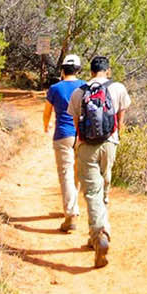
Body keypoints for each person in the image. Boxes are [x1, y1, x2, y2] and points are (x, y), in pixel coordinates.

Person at [68, 54, 131, 267]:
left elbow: (76, 123)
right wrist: (117, 136)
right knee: (104, 187)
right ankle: (99, 231)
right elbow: (120, 118)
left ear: (91, 72)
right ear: (108, 70)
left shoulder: (79, 93)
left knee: (92, 192)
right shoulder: (118, 88)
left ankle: (98, 235)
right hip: (110, 144)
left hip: (87, 147)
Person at [41, 53, 85, 233]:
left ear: (62, 70)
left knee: (65, 173)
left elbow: (47, 111)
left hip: (63, 135)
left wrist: (46, 125)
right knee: (77, 173)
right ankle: (73, 207)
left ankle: (71, 213)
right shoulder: (84, 86)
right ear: (78, 70)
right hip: (82, 135)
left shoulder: (55, 88)